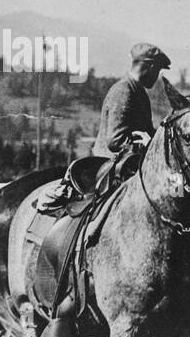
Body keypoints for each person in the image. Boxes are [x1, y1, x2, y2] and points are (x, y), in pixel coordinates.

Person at [37, 43, 171, 212]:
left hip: (124, 167)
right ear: (150, 66)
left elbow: (147, 131)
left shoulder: (138, 92)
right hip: (107, 169)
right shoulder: (124, 90)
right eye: (158, 70)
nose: (157, 75)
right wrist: (146, 144)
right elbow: (115, 141)